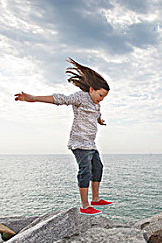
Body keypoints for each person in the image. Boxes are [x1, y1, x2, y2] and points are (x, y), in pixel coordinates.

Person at [14, 58, 113, 216]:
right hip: (79, 143)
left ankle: (95, 199)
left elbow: (97, 112)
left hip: (90, 144)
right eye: (100, 95)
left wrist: (99, 120)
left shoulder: (96, 104)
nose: (101, 99)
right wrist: (33, 98)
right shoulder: (81, 97)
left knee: (98, 168)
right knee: (85, 171)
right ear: (92, 89)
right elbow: (61, 99)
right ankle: (85, 205)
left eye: (104, 97)